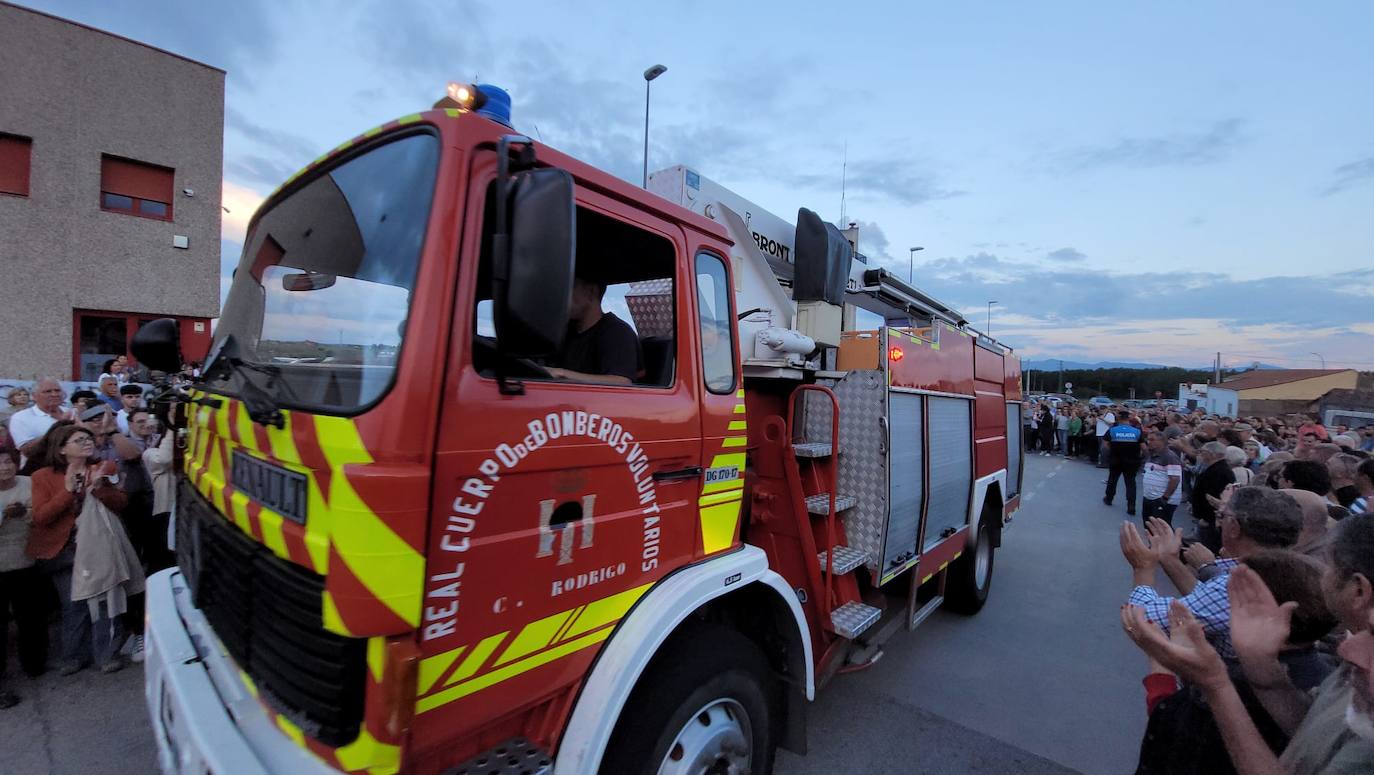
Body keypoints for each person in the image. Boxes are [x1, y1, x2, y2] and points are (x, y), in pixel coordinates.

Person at [1131, 550, 1337, 775]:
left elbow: (1172, 739)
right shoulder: (1326, 685)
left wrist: (1161, 659)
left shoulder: (1235, 689)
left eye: (1232, 598)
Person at [1121, 486, 1302, 659]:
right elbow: (1206, 602)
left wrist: (1143, 568)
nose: (1218, 522)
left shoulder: (1238, 586)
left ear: (1234, 527)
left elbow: (1141, 622)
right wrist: (1170, 560)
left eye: (1222, 516)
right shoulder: (1293, 571)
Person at [29, 424, 129, 674]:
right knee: (74, 604)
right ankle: (73, 656)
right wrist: (68, 491)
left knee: (106, 601)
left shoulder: (104, 467)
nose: (87, 442)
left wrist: (100, 489)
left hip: (99, 545)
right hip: (65, 551)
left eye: (88, 438)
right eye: (78, 440)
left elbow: (121, 503)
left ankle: (106, 655)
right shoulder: (42, 476)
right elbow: (42, 517)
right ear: (62, 448)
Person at [0, 448, 44, 708]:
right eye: (0, 463)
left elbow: (40, 514)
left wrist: (26, 514)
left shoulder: (29, 483)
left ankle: (34, 664)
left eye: (8, 461)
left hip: (26, 560)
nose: (5, 467)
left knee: (31, 615)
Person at [546, 276, 642, 385]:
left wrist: (560, 373)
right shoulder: (566, 332)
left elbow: (622, 381)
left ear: (591, 292)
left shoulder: (618, 332)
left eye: (570, 287)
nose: (562, 295)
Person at [8, 377, 69, 462]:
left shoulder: (70, 412)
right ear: (34, 396)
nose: (54, 394)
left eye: (57, 390)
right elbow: (27, 451)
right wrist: (59, 425)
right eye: (48, 391)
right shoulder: (20, 417)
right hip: (39, 468)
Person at [1192, 442, 1236, 551]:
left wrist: (1207, 518)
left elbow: (1213, 497)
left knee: (1209, 547)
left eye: (1203, 452)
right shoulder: (1214, 468)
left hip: (1211, 520)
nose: (1200, 455)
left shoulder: (1219, 471)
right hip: (1208, 518)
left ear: (1213, 454)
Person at [1103, 410, 1145, 516]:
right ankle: (1131, 506)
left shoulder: (1112, 430)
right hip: (1132, 461)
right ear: (1128, 419)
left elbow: (1105, 445)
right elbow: (1144, 448)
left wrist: (1112, 451)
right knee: (1130, 483)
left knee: (1112, 480)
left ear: (1119, 419)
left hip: (1115, 460)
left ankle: (1109, 498)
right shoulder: (1137, 431)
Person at [1141, 431, 1183, 526]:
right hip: (1149, 497)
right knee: (1149, 526)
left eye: (1152, 440)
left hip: (1162, 499)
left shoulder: (1170, 457)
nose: (1148, 442)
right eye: (1148, 439)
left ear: (1162, 441)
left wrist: (1165, 498)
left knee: (1160, 528)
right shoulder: (1151, 455)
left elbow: (1175, 479)